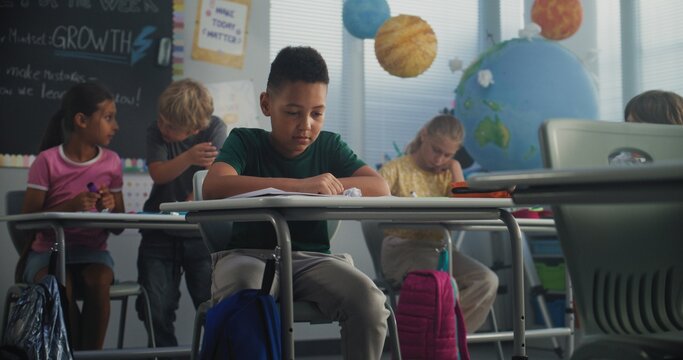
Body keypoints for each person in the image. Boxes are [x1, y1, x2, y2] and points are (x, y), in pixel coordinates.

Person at [202, 46, 391, 359]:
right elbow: (214, 186)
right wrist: (301, 186)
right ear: (267, 104)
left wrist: (331, 184)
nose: (306, 125)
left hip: (312, 259)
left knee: (369, 301)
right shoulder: (246, 141)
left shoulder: (329, 145)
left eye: (317, 113)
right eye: (293, 112)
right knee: (248, 298)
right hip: (248, 256)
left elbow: (379, 185)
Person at [22, 82, 124, 350]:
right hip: (48, 251)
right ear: (81, 120)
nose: (116, 127)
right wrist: (68, 207)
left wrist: (109, 206)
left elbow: (120, 225)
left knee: (99, 279)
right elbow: (26, 220)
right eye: (108, 117)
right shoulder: (47, 161)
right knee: (59, 284)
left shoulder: (112, 162)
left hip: (93, 252)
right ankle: (70, 353)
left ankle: (90, 355)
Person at [378, 114, 499, 333]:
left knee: (487, 281)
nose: (439, 159)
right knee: (443, 285)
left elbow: (464, 206)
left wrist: (455, 169)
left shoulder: (447, 175)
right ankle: (440, 343)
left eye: (448, 154)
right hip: (403, 249)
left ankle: (445, 341)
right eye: (436, 150)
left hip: (441, 249)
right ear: (424, 134)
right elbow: (372, 202)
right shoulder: (395, 169)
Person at [136, 78, 227, 349]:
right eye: (161, 120)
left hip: (200, 235)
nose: (162, 127)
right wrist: (189, 157)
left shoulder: (215, 129)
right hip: (159, 233)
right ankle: (166, 355)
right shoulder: (157, 131)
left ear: (196, 128)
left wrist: (196, 197)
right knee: (155, 308)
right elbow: (159, 173)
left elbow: (218, 175)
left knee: (211, 302)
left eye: (171, 126)